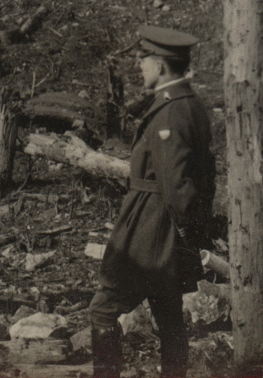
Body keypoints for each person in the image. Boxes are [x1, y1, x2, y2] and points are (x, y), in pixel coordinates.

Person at [89, 24, 215, 378]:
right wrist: (195, 232)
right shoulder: (191, 105)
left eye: (143, 60)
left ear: (160, 65)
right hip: (165, 226)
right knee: (167, 311)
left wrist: (189, 231)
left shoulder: (171, 111)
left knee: (103, 308)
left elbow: (177, 185)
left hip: (150, 226)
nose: (140, 67)